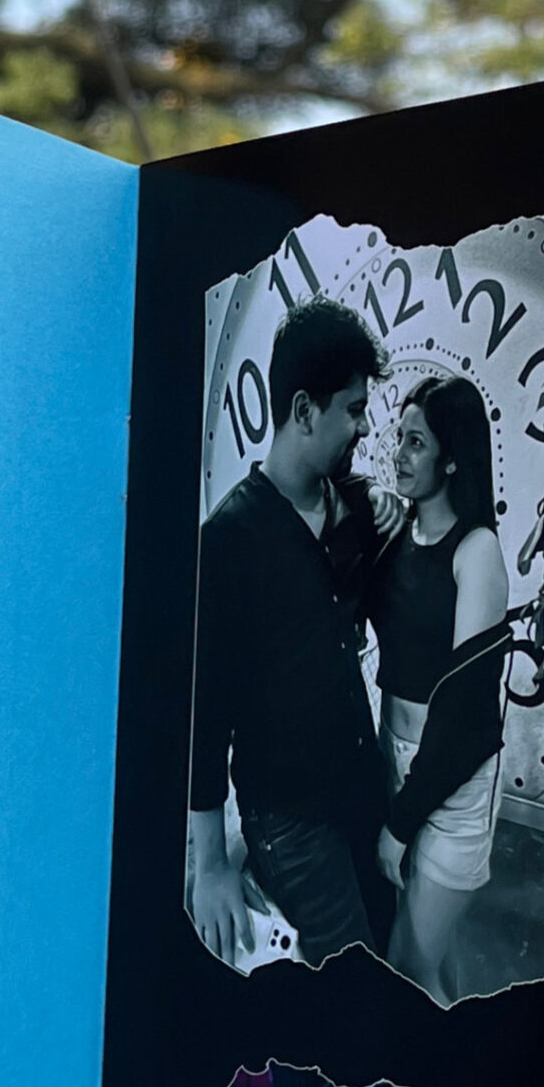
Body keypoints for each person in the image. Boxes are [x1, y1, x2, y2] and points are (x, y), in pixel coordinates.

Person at [187, 301, 394, 967]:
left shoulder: (354, 507)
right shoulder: (228, 542)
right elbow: (204, 718)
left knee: (386, 953)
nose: (365, 426)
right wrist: (210, 867)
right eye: (354, 410)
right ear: (304, 411)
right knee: (353, 991)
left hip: (360, 792)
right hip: (290, 820)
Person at [372, 376, 511, 1004]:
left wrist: (400, 825)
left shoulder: (476, 551)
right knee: (421, 951)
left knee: (410, 965)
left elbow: (463, 715)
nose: (399, 453)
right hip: (396, 763)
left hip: (451, 781)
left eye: (417, 442)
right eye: (399, 437)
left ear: (451, 458)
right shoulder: (399, 538)